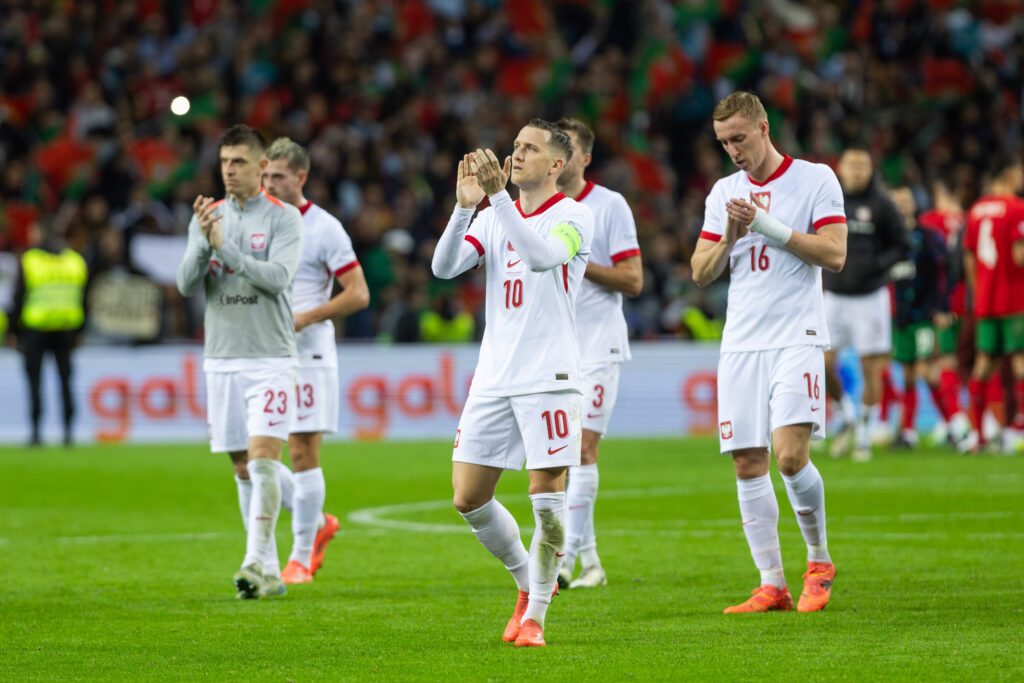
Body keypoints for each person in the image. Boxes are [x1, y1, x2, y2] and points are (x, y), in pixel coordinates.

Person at [431, 119, 594, 647]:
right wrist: (464, 207)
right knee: (467, 496)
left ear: (557, 165)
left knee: (546, 501)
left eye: (530, 148)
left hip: (551, 377)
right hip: (495, 377)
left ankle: (536, 619)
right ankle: (527, 582)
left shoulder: (574, 216)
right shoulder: (493, 215)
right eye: (515, 145)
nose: (516, 154)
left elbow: (543, 258)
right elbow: (445, 267)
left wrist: (498, 202)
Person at [690, 91, 846, 614]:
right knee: (747, 461)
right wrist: (733, 235)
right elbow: (700, 271)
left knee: (789, 455)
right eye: (723, 142)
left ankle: (819, 561)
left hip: (795, 336)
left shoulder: (815, 178)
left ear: (763, 128)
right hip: (741, 342)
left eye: (738, 138)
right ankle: (772, 583)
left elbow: (835, 253)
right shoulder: (724, 192)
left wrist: (767, 226)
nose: (732, 150)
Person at [176, 124, 304, 598]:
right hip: (222, 358)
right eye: (225, 162)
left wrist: (224, 248)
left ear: (262, 166)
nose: (229, 171)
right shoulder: (207, 214)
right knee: (242, 466)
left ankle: (252, 560)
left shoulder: (284, 218)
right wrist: (202, 240)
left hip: (270, 357)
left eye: (239, 162)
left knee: (265, 459)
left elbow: (277, 278)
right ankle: (269, 572)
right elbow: (187, 284)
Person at [262, 137, 370, 584]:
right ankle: (320, 521)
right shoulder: (257, 223)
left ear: (301, 177)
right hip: (263, 353)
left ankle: (301, 557)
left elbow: (358, 294)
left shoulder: (325, 227)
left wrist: (304, 318)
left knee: (303, 451)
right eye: (265, 175)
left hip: (308, 353)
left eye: (278, 177)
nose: (269, 183)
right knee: (253, 455)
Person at [553, 117, 642, 590]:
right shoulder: (537, 208)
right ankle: (591, 564)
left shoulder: (609, 206)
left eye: (570, 152)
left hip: (599, 342)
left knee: (583, 448)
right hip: (554, 346)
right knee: (563, 454)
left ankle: (564, 559)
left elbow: (633, 279)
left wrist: (580, 263)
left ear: (585, 159)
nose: (561, 159)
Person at [823, 146, 909, 461]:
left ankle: (863, 432)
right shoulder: (828, 200)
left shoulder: (882, 204)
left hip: (870, 298)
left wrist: (876, 264)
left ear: (871, 169)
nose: (857, 170)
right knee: (821, 360)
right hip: (834, 296)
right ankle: (845, 412)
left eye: (863, 165)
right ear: (840, 168)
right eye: (851, 165)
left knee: (871, 368)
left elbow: (902, 243)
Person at [959, 153, 1024, 453]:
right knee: (1020, 362)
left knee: (984, 363)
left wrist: (979, 291)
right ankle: (1016, 430)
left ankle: (978, 435)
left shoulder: (976, 209)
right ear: (1009, 174)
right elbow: (1019, 256)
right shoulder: (1017, 208)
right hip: (1015, 298)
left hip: (985, 299)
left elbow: (969, 256)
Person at [9, 220, 88, 446]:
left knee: (35, 382)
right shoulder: (74, 261)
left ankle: (36, 433)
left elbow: (19, 296)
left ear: (41, 235)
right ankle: (68, 433)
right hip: (67, 330)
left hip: (35, 329)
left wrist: (13, 330)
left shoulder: (31, 260)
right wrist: (80, 331)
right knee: (65, 382)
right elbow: (83, 298)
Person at [887, 185, 950, 448]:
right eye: (897, 201)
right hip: (900, 318)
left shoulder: (929, 237)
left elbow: (945, 272)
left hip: (924, 315)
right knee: (910, 374)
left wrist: (942, 307)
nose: (902, 205)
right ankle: (909, 433)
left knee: (927, 372)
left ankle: (956, 425)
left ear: (914, 204)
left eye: (906, 200)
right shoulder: (887, 240)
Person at [917, 179, 971, 445]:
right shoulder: (966, 219)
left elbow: (936, 265)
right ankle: (960, 421)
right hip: (971, 298)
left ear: (938, 191)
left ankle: (957, 422)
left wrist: (940, 303)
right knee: (969, 362)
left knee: (936, 364)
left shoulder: (929, 221)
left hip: (942, 302)